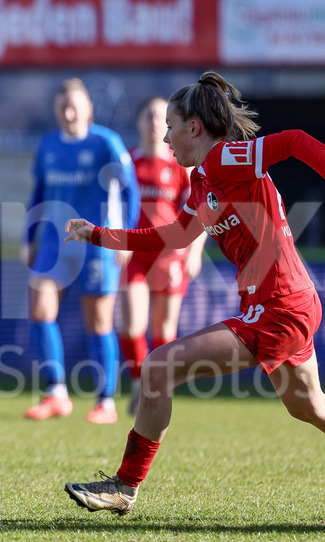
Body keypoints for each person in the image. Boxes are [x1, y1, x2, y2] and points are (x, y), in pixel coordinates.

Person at [63, 72, 325, 520]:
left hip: (278, 308)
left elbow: (293, 141)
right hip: (288, 303)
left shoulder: (227, 159)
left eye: (171, 126)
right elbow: (173, 235)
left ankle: (124, 487)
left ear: (195, 128)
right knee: (310, 406)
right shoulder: (203, 182)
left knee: (157, 368)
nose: (166, 137)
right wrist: (97, 235)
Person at [22, 78, 140, 425]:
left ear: (89, 108)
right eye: (62, 107)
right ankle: (56, 393)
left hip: (95, 243)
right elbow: (39, 193)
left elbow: (129, 191)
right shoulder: (47, 145)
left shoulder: (106, 142)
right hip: (53, 244)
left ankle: (106, 401)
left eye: (74, 105)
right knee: (40, 309)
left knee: (98, 320)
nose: (69, 112)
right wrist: (28, 236)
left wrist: (125, 237)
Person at [120, 98, 207, 416]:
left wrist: (194, 250)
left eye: (163, 118)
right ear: (140, 122)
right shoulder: (127, 161)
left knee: (164, 331)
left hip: (170, 255)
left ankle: (155, 391)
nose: (156, 122)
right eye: (150, 116)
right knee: (131, 327)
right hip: (134, 255)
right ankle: (137, 383)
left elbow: (202, 209)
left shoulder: (180, 165)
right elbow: (114, 205)